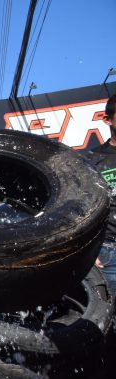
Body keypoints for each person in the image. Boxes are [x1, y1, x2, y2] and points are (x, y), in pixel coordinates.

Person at [89, 93, 116, 294]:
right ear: (108, 119)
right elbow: (86, 209)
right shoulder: (93, 160)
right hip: (109, 250)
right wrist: (91, 251)